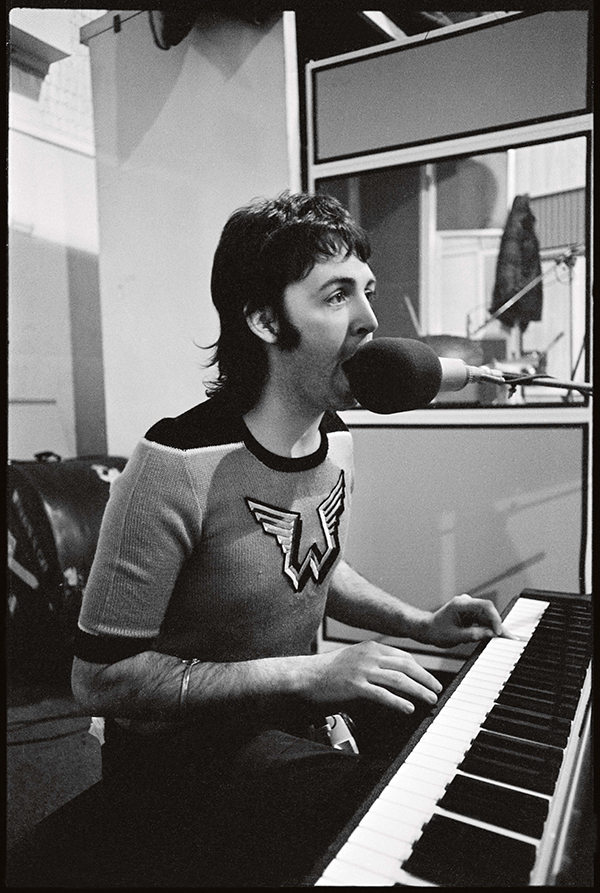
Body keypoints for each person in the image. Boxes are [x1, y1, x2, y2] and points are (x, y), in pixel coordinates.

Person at [71, 191, 510, 887]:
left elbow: (310, 562)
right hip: (176, 762)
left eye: (367, 291)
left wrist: (420, 622)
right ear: (265, 319)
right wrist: (309, 674)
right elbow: (99, 680)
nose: (370, 320)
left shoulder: (335, 437)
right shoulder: (174, 463)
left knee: (462, 741)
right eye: (337, 295)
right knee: (375, 814)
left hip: (289, 714)